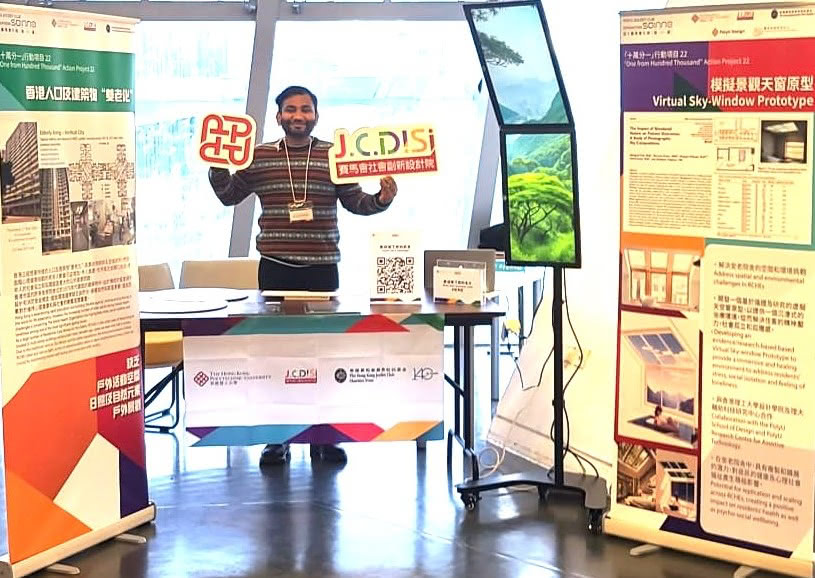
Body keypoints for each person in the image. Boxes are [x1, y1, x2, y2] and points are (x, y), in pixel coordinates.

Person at [208, 85, 398, 466]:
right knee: (276, 356)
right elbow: (229, 195)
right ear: (278, 116)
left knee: (324, 356)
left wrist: (382, 199)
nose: (299, 115)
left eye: (306, 109)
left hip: (322, 269)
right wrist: (216, 166)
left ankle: (323, 438)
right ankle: (278, 438)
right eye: (291, 109)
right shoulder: (260, 156)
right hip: (275, 268)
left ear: (316, 115)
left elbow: (356, 202)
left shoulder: (334, 156)